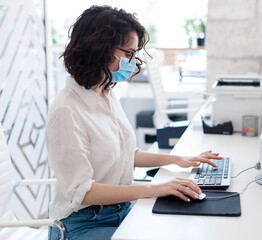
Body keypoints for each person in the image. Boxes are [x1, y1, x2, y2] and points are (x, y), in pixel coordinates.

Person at [45, 5, 222, 240]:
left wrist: (179, 160)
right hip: (83, 224)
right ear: (99, 48)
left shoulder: (105, 93)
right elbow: (82, 192)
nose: (133, 61)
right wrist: (153, 190)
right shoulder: (66, 111)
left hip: (121, 210)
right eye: (128, 53)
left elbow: (126, 153)